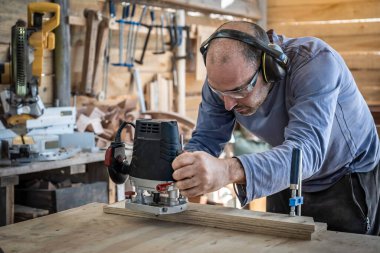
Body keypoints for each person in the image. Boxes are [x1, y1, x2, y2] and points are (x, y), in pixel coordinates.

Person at [171, 21, 380, 235]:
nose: (227, 104)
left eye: (239, 91)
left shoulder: (315, 63)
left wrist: (227, 170)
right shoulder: (223, 83)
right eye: (218, 92)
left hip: (345, 175)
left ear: (270, 67)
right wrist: (182, 167)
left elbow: (306, 153)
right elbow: (206, 140)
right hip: (283, 171)